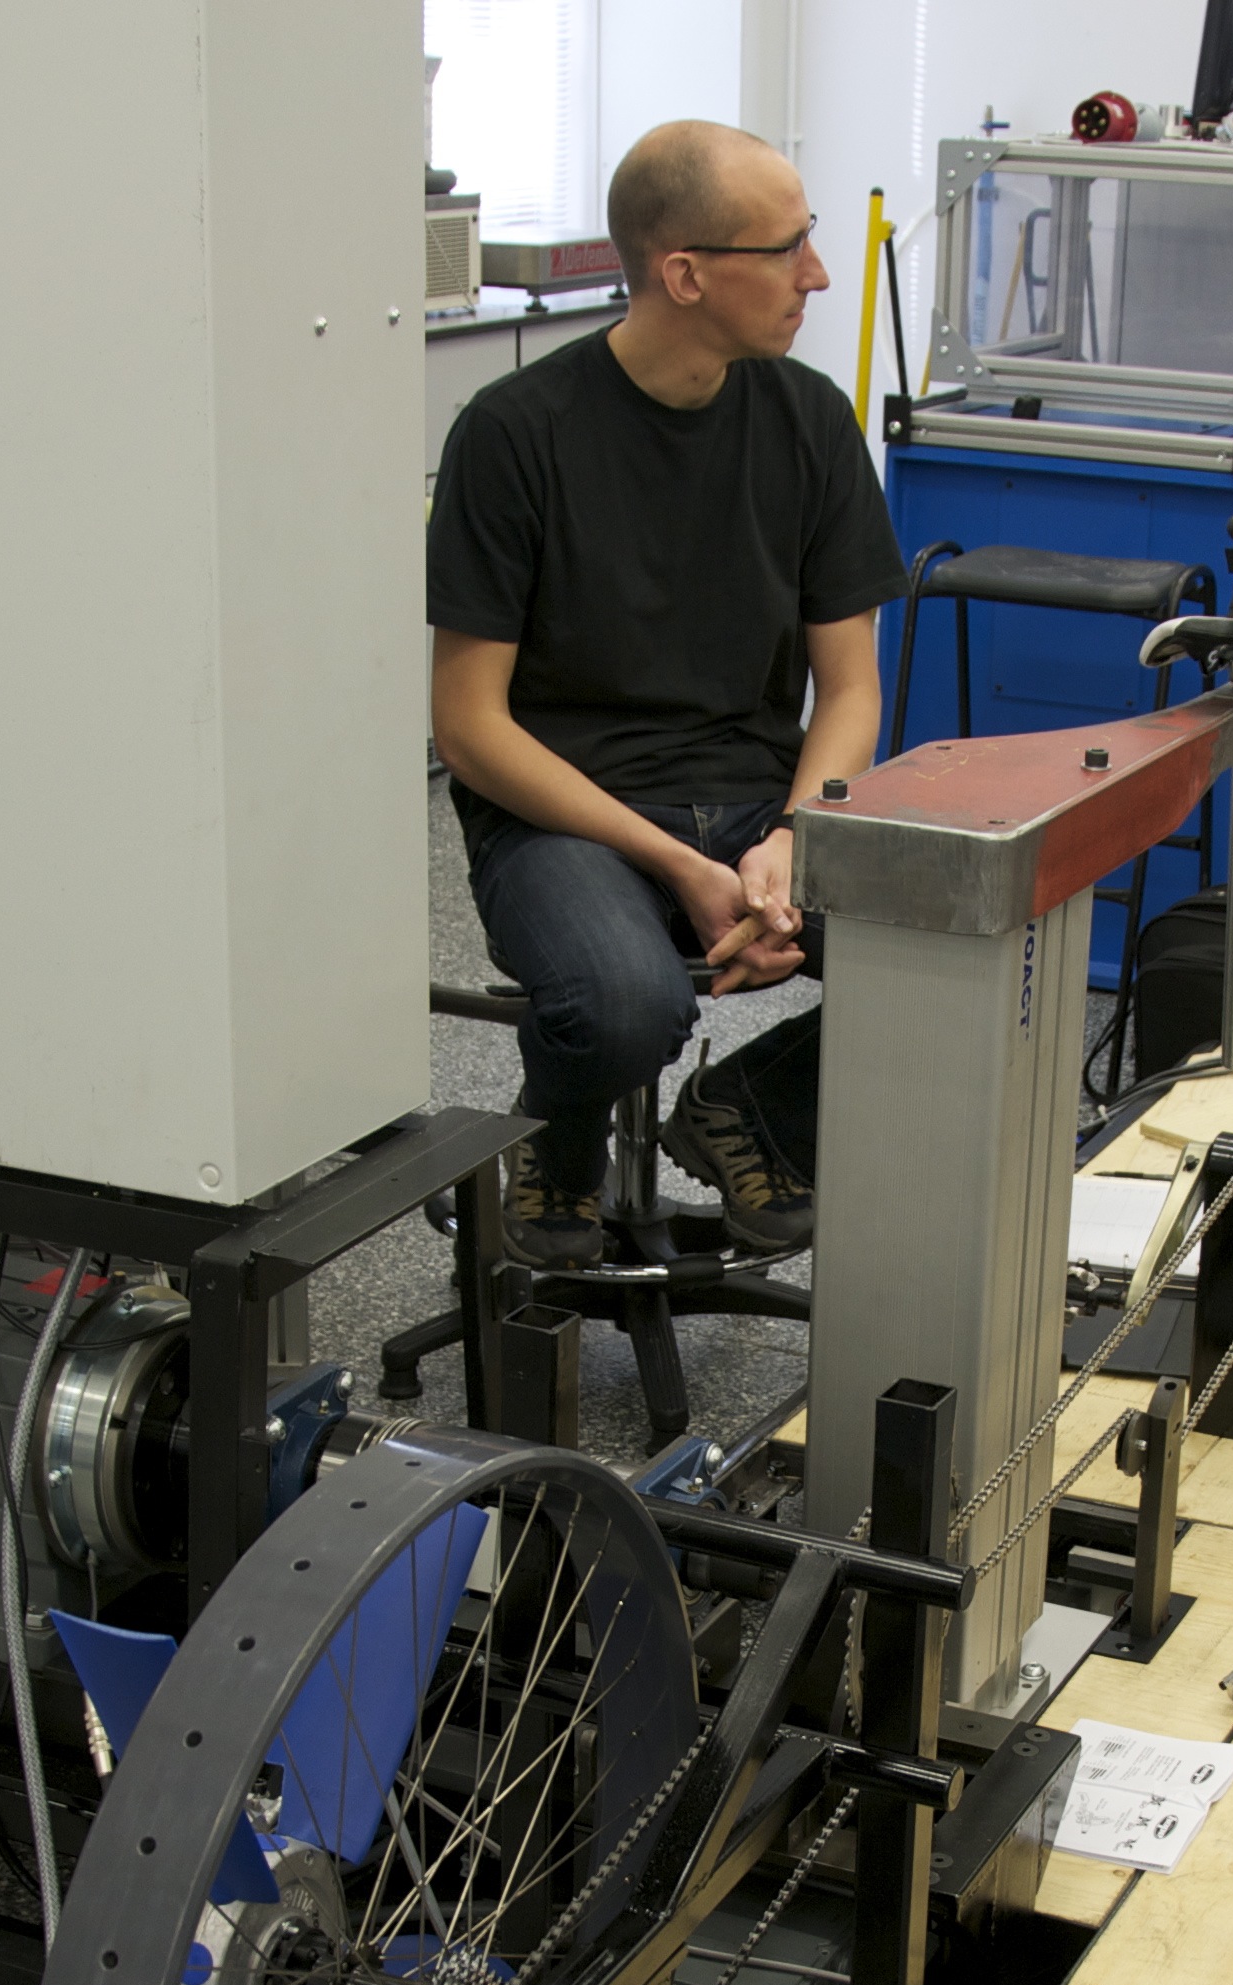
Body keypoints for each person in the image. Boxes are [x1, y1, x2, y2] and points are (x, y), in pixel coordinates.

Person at [425, 119, 905, 1269]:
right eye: (787, 248)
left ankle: (751, 1107)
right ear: (685, 273)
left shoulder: (807, 424)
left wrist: (796, 828)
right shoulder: (513, 434)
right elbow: (469, 724)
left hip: (754, 799)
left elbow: (847, 688)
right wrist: (683, 866)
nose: (819, 275)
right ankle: (561, 1138)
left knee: (966, 954)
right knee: (625, 1003)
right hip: (561, 814)